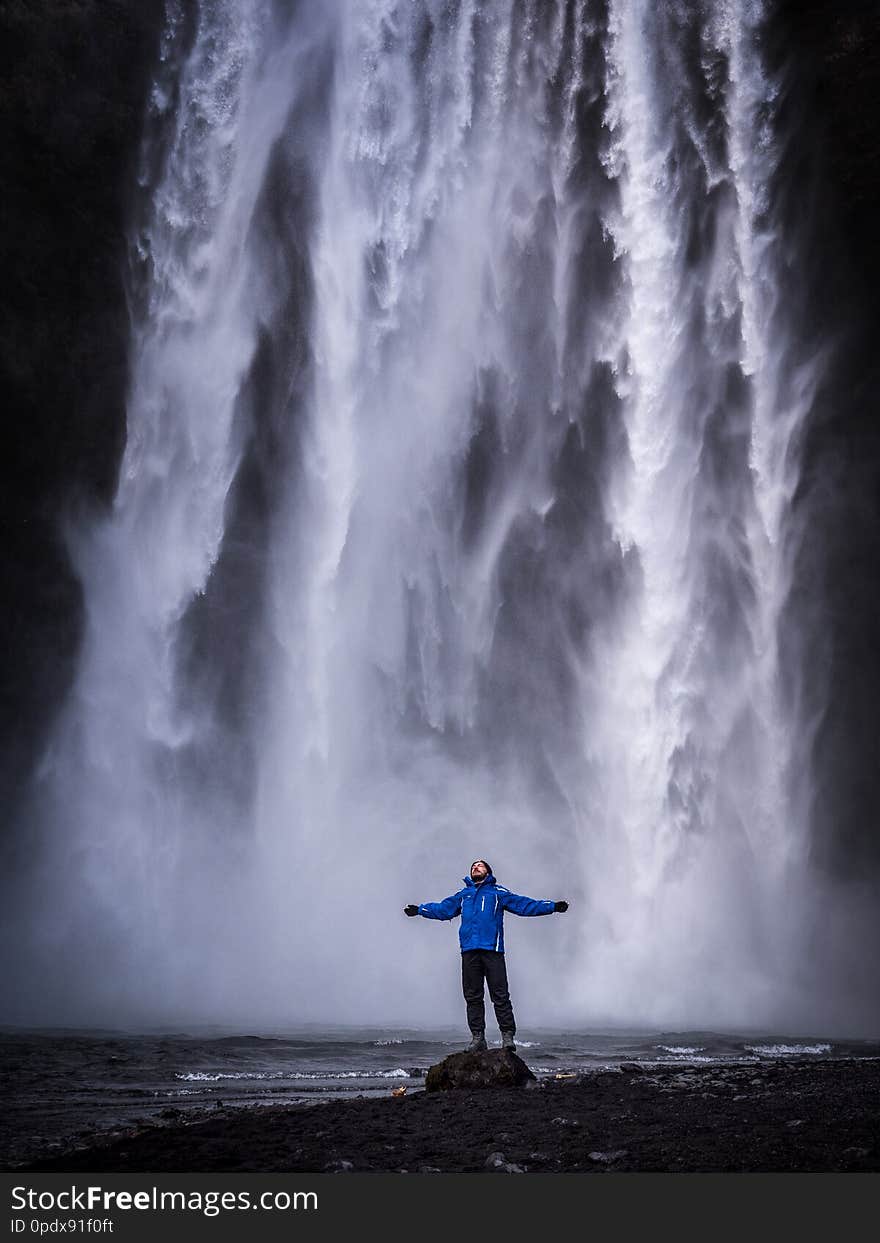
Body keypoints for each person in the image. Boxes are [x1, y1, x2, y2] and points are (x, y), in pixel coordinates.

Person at [404, 859, 568, 1053]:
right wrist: (419, 910)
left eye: (480, 865)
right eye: (473, 865)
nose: (475, 867)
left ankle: (507, 1037)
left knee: (500, 995)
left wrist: (552, 906)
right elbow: (443, 909)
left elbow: (525, 905)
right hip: (469, 950)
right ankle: (478, 1038)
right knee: (472, 996)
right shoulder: (463, 895)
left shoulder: (498, 893)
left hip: (492, 950)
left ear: (488, 872)